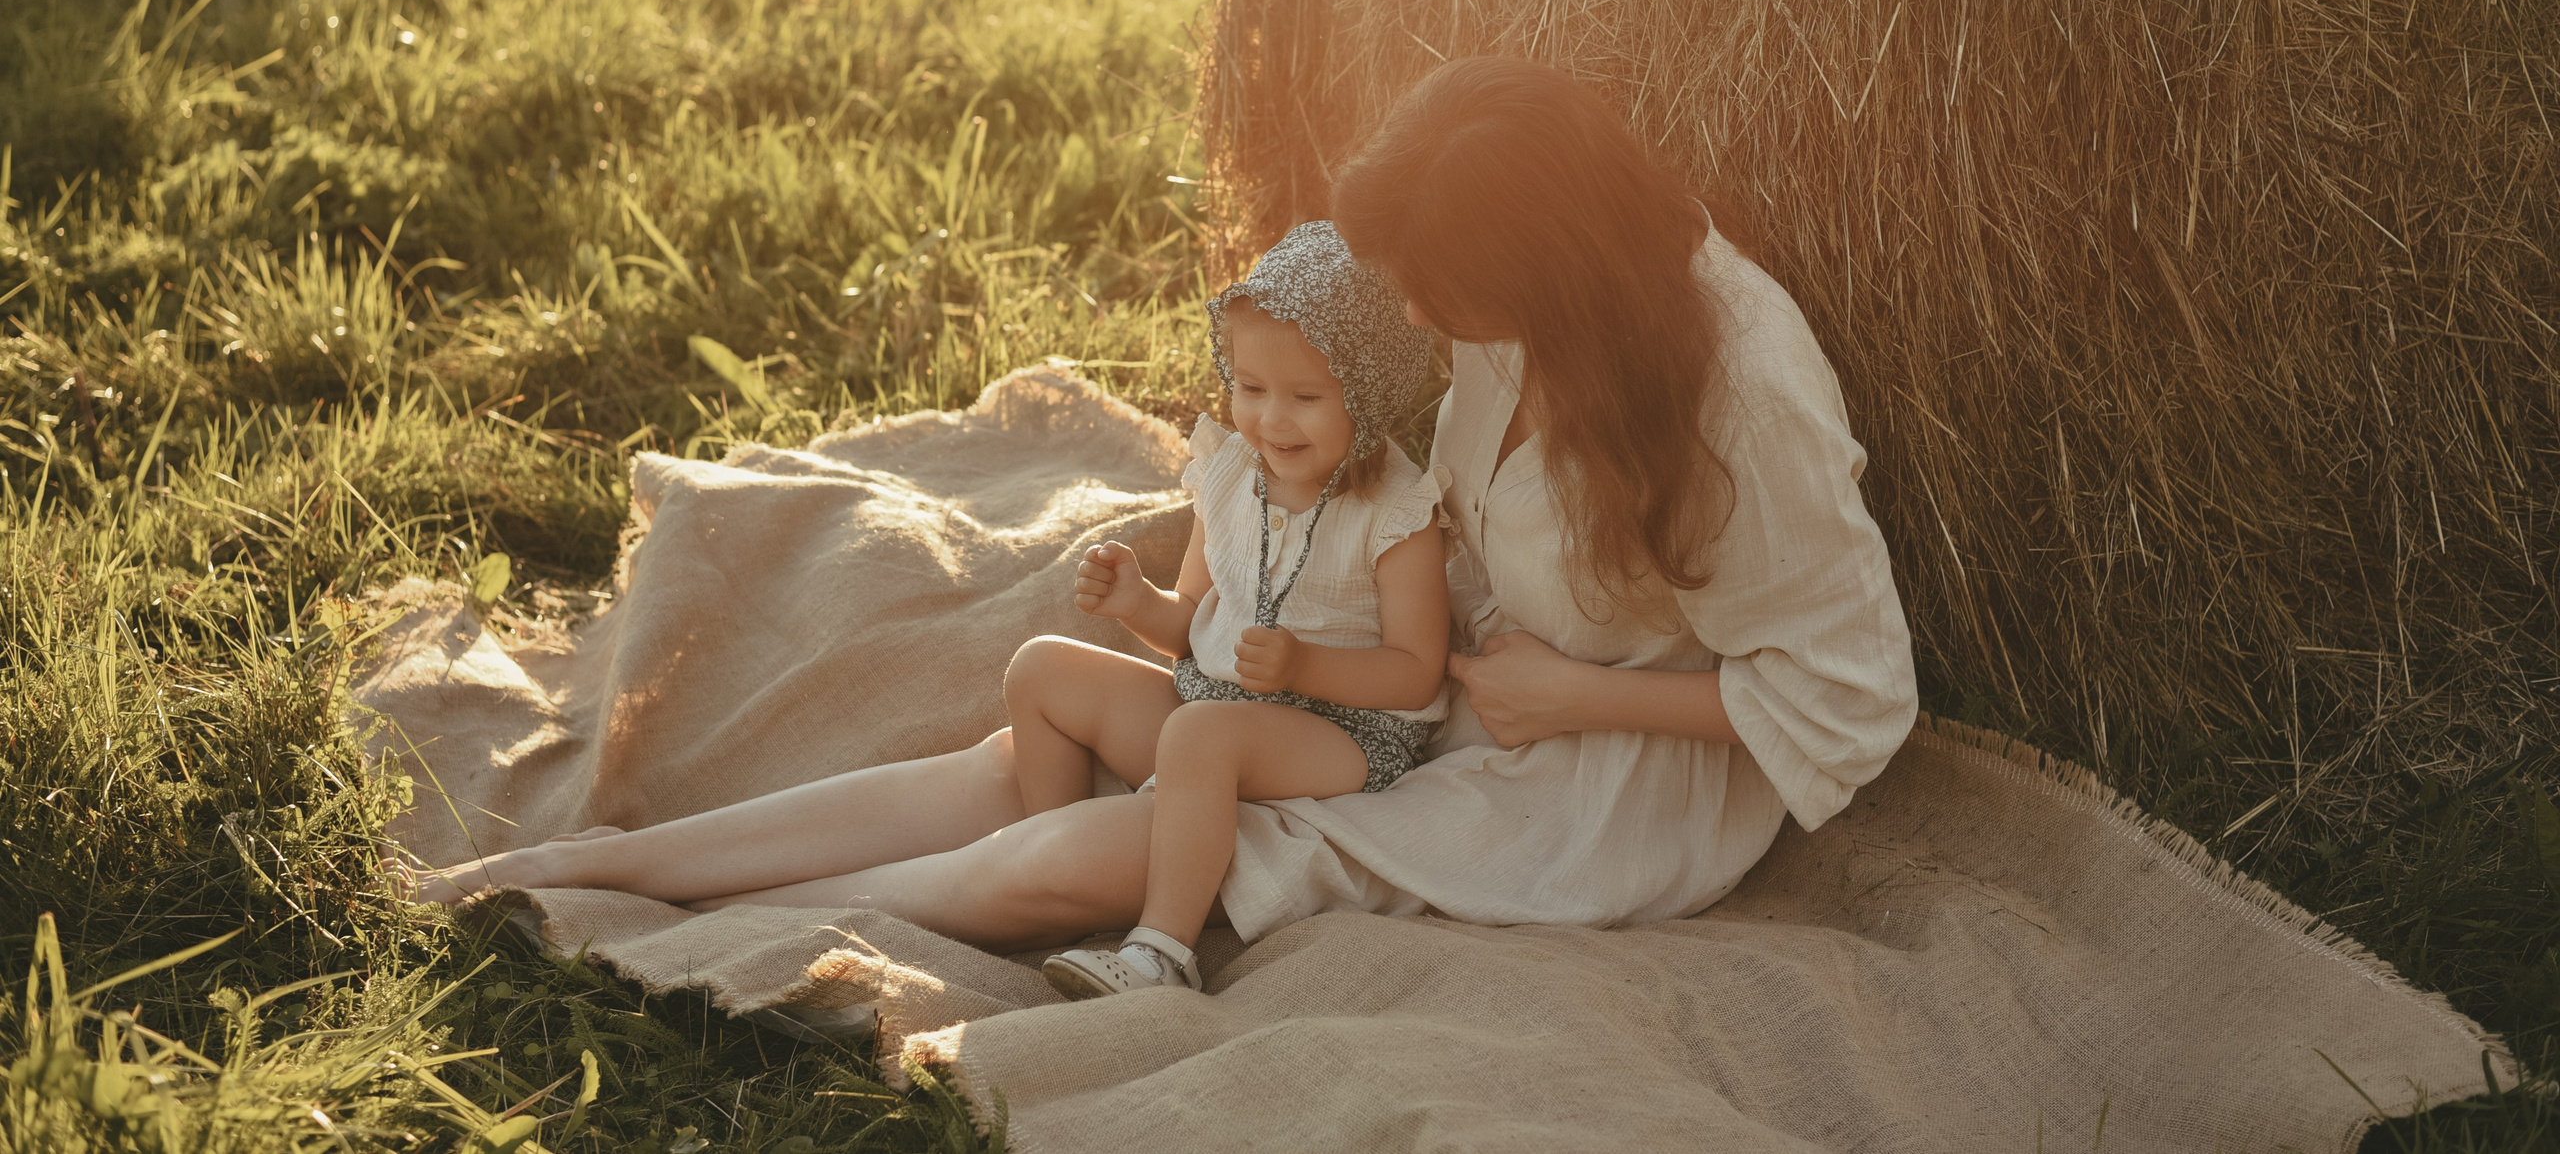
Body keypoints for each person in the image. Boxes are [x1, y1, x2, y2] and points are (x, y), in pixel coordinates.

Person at [410, 56, 1916, 959]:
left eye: (1444, 295)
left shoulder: (1740, 403)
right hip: (1416, 676)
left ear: (1548, 267)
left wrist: (1564, 687)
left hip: (1582, 762)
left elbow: (1850, 697)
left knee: (1111, 853)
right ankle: (587, 866)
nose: (1425, 316)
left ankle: (734, 927)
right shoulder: (1516, 298)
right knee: (1035, 751)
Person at [1034, 221, 1448, 998]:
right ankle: (1057, 877)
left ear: (1370, 391)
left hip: (1348, 733)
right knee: (1042, 669)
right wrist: (1137, 604)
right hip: (1219, 704)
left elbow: (1418, 670)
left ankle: (1161, 953)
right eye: (1251, 388)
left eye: (1306, 396)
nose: (1271, 419)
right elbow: (1191, 625)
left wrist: (1306, 665)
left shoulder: (1397, 514)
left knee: (1197, 734)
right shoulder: (1231, 474)